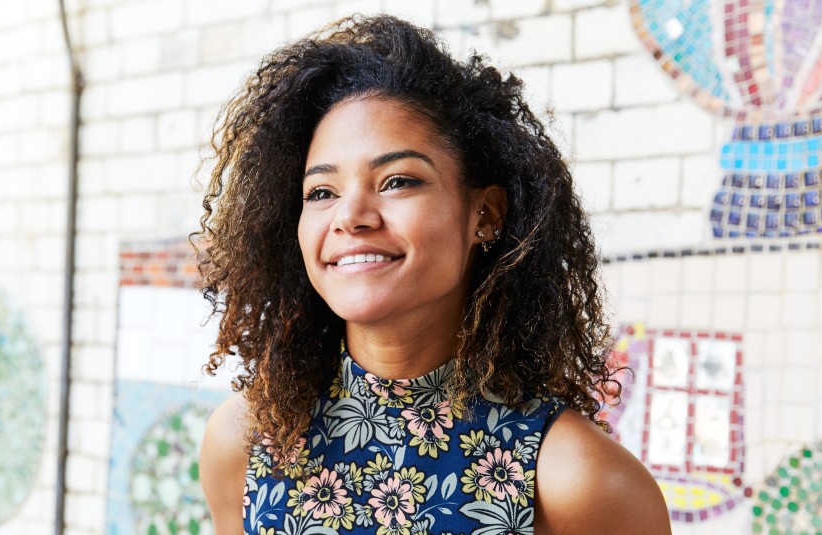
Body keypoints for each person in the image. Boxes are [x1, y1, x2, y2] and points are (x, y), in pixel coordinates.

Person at [194, 14, 670, 535]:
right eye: (321, 192)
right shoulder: (245, 442)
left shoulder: (577, 483)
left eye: (397, 181)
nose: (350, 216)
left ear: (484, 215)